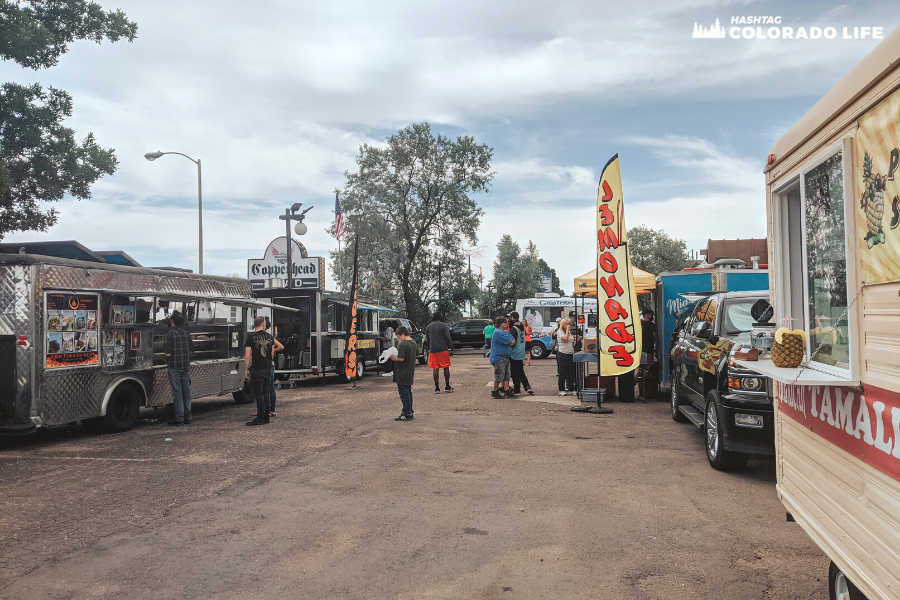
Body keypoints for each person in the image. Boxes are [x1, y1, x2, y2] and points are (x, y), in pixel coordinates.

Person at [245, 315, 284, 426]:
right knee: (266, 392)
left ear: (254, 325)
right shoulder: (270, 337)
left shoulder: (250, 337)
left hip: (257, 368)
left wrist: (246, 369)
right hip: (268, 367)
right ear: (263, 324)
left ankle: (260, 417)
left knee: (259, 393)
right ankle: (266, 416)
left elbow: (247, 355)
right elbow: (271, 353)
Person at [164, 311, 194, 426]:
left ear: (173, 321)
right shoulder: (186, 333)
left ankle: (179, 418)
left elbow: (168, 354)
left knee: (177, 393)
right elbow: (191, 348)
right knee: (186, 391)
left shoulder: (170, 334)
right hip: (185, 365)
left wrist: (163, 358)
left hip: (174, 366)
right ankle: (188, 416)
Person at [389, 326, 417, 421]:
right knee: (408, 392)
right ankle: (409, 411)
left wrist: (392, 358)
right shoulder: (413, 343)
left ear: (403, 335)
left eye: (399, 337)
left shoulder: (402, 344)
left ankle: (406, 413)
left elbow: (401, 358)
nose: (398, 339)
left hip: (402, 372)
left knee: (404, 394)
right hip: (409, 371)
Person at [253, 316, 279, 418]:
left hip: (266, 365)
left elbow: (280, 347)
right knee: (267, 389)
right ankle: (267, 410)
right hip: (269, 365)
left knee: (265, 390)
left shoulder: (266, 337)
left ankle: (268, 410)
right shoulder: (268, 336)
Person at [425, 312, 454, 393]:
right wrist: (451, 348)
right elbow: (448, 338)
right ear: (440, 317)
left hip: (433, 350)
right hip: (443, 349)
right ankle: (447, 386)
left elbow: (428, 340)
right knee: (446, 367)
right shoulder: (444, 326)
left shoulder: (428, 327)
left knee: (435, 368)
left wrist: (428, 349)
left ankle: (437, 388)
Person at [489, 316, 517, 399]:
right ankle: (495, 391)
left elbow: (513, 341)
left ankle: (506, 390)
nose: (507, 324)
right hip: (498, 357)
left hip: (505, 357)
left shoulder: (506, 332)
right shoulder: (498, 332)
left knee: (506, 375)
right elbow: (510, 342)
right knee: (499, 375)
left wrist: (511, 342)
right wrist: (510, 342)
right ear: (501, 324)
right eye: (505, 322)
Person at [509, 312, 533, 395]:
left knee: (514, 372)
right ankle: (527, 386)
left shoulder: (514, 329)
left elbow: (513, 341)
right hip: (522, 351)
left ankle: (517, 389)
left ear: (512, 318)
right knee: (520, 371)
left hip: (515, 352)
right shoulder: (522, 327)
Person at [638, 309, 658, 400]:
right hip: (648, 351)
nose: (651, 316)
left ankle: (632, 385)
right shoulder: (650, 325)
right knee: (648, 370)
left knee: (641, 370)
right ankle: (646, 393)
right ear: (647, 315)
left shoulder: (640, 325)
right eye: (650, 315)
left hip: (641, 350)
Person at [556, 318, 576, 396]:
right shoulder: (559, 332)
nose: (569, 325)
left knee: (571, 372)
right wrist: (567, 330)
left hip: (570, 352)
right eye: (567, 324)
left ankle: (571, 388)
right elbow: (565, 338)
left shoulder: (569, 333)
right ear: (563, 325)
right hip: (563, 353)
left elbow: (571, 340)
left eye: (569, 324)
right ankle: (561, 389)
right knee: (562, 372)